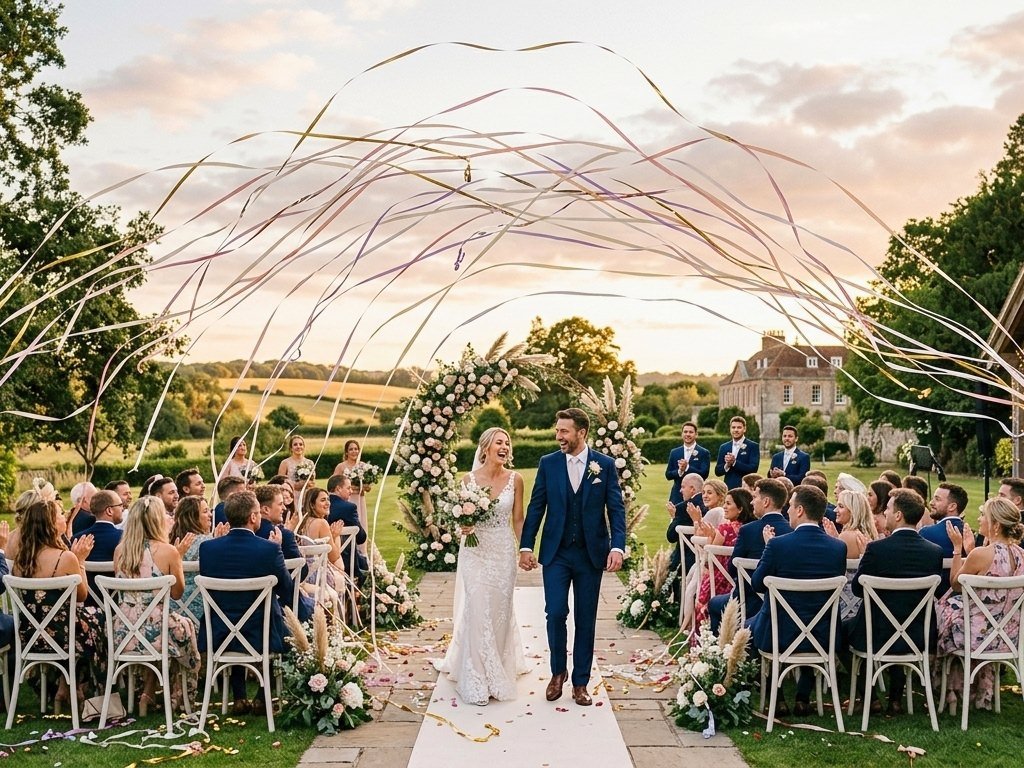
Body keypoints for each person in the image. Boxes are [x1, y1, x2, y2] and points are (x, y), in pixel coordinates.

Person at [520, 408, 626, 707]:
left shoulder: (603, 466)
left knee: (585, 619)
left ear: (582, 432)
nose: (559, 436)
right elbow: (536, 507)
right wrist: (527, 545)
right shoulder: (548, 463)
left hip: (591, 554)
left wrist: (617, 547)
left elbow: (616, 509)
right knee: (555, 613)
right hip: (556, 552)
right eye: (558, 430)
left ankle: (581, 682)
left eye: (564, 431)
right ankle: (557, 673)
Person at [439, 427, 530, 705]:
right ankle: (476, 676)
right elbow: (458, 520)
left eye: (507, 443)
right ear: (486, 448)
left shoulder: (516, 479)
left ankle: (499, 668)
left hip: (502, 551)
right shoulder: (467, 480)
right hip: (475, 552)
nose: (504, 446)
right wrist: (463, 526)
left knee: (499, 610)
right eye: (499, 442)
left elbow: (517, 518)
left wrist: (525, 549)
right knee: (477, 607)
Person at [748, 485, 847, 716]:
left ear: (800, 510)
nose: (787, 512)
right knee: (808, 622)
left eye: (790, 507)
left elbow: (757, 584)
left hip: (779, 635)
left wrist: (767, 550)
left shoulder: (777, 544)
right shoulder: (838, 547)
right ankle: (802, 697)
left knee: (749, 626)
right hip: (824, 636)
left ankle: (778, 696)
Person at [845, 488, 944, 714]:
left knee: (839, 632)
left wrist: (863, 559)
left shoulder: (877, 549)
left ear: (898, 515)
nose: (885, 513)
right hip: (918, 635)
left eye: (888, 509)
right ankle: (896, 699)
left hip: (876, 634)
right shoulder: (934, 552)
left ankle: (868, 697)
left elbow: (858, 589)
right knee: (901, 625)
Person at [198, 490, 295, 715]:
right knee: (272, 617)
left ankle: (240, 696)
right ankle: (263, 696)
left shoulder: (208, 548)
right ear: (253, 517)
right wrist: (278, 549)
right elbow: (287, 590)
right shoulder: (269, 549)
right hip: (260, 634)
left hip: (219, 633)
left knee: (237, 614)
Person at [12, 498, 107, 708]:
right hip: (64, 635)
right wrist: (80, 561)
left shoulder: (21, 559)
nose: (64, 517)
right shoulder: (66, 558)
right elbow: (82, 596)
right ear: (51, 524)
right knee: (98, 619)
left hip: (31, 635)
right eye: (60, 514)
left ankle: (65, 686)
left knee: (83, 621)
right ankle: (92, 696)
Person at [113, 497, 201, 715]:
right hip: (157, 631)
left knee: (168, 628)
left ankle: (147, 693)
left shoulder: (119, 551)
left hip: (123, 631)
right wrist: (177, 559)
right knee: (185, 627)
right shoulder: (168, 552)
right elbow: (177, 594)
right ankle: (178, 698)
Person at [936, 497, 1024, 711]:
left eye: (983, 515)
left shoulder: (979, 555)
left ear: (995, 524)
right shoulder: (1021, 555)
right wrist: (973, 549)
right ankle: (976, 691)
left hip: (974, 637)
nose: (978, 518)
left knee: (941, 607)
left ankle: (950, 692)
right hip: (1007, 638)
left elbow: (956, 584)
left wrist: (958, 549)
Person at [707, 478, 793, 633]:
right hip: (781, 603)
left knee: (714, 603)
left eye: (755, 498)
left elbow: (733, 569)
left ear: (766, 501)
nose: (752, 502)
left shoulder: (748, 530)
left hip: (747, 600)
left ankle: (719, 649)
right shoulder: (792, 531)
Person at [692, 488, 755, 629]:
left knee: (701, 594)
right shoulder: (750, 529)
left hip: (719, 580)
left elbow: (709, 560)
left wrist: (710, 537)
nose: (724, 507)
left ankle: (700, 639)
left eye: (728, 504)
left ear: (739, 509)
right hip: (736, 581)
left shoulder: (725, 528)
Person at [822, 489, 878, 620]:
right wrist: (836, 539)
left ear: (853, 511)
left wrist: (834, 541)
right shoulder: (867, 536)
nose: (835, 510)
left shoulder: (847, 536)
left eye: (841, 506)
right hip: (864, 605)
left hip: (844, 608)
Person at [171, 495, 222, 625]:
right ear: (192, 517)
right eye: (205, 511)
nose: (210, 514)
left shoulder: (169, 543)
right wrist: (221, 544)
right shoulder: (208, 544)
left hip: (172, 611)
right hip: (205, 612)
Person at [920, 483, 968, 594]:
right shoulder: (970, 536)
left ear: (952, 506)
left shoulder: (926, 534)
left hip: (932, 597)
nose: (931, 503)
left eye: (937, 499)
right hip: (964, 598)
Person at [332, 439, 373, 559]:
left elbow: (368, 487)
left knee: (362, 523)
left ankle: (362, 553)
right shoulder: (341, 466)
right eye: (351, 449)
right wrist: (354, 488)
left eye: (356, 449)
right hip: (346, 501)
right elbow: (333, 485)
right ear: (346, 452)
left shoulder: (363, 466)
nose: (354, 451)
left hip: (359, 500)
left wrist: (362, 487)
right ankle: (347, 551)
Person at [326, 474, 368, 581]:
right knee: (365, 565)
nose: (351, 491)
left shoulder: (318, 504)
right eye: (348, 488)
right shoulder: (348, 507)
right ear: (338, 489)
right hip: (346, 561)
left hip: (322, 558)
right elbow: (361, 537)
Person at [665, 422, 711, 507]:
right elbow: (668, 475)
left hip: (696, 497)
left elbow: (704, 474)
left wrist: (687, 468)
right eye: (685, 432)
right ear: (682, 434)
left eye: (691, 432)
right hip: (677, 496)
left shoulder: (704, 453)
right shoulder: (674, 452)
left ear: (696, 434)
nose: (688, 434)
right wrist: (680, 471)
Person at [714, 416, 760, 490]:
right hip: (728, 488)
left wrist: (735, 462)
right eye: (733, 427)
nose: (736, 430)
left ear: (744, 429)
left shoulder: (753, 446)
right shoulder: (724, 447)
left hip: (745, 488)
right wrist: (727, 465)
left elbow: (753, 469)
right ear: (730, 429)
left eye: (739, 427)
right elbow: (717, 472)